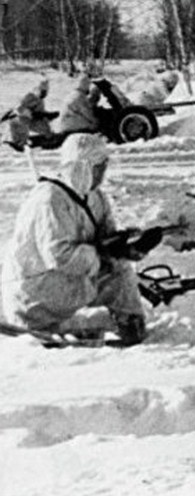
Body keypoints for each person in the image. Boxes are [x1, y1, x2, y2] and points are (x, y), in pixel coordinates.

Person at [1, 133, 147, 345]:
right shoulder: (50, 199)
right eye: (98, 168)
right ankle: (57, 325)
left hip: (62, 282)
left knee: (120, 268)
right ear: (81, 167)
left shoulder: (95, 196)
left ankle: (129, 323)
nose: (102, 175)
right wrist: (103, 253)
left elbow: (107, 237)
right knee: (113, 269)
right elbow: (59, 257)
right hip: (36, 289)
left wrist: (128, 245)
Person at [2, 77, 57, 152]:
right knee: (23, 121)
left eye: (45, 92)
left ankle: (48, 137)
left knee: (44, 123)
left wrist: (49, 116)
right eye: (43, 91)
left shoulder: (40, 101)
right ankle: (19, 142)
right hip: (19, 120)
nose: (44, 94)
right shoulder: (29, 97)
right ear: (37, 90)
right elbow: (19, 109)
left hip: (30, 120)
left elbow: (40, 113)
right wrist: (37, 114)